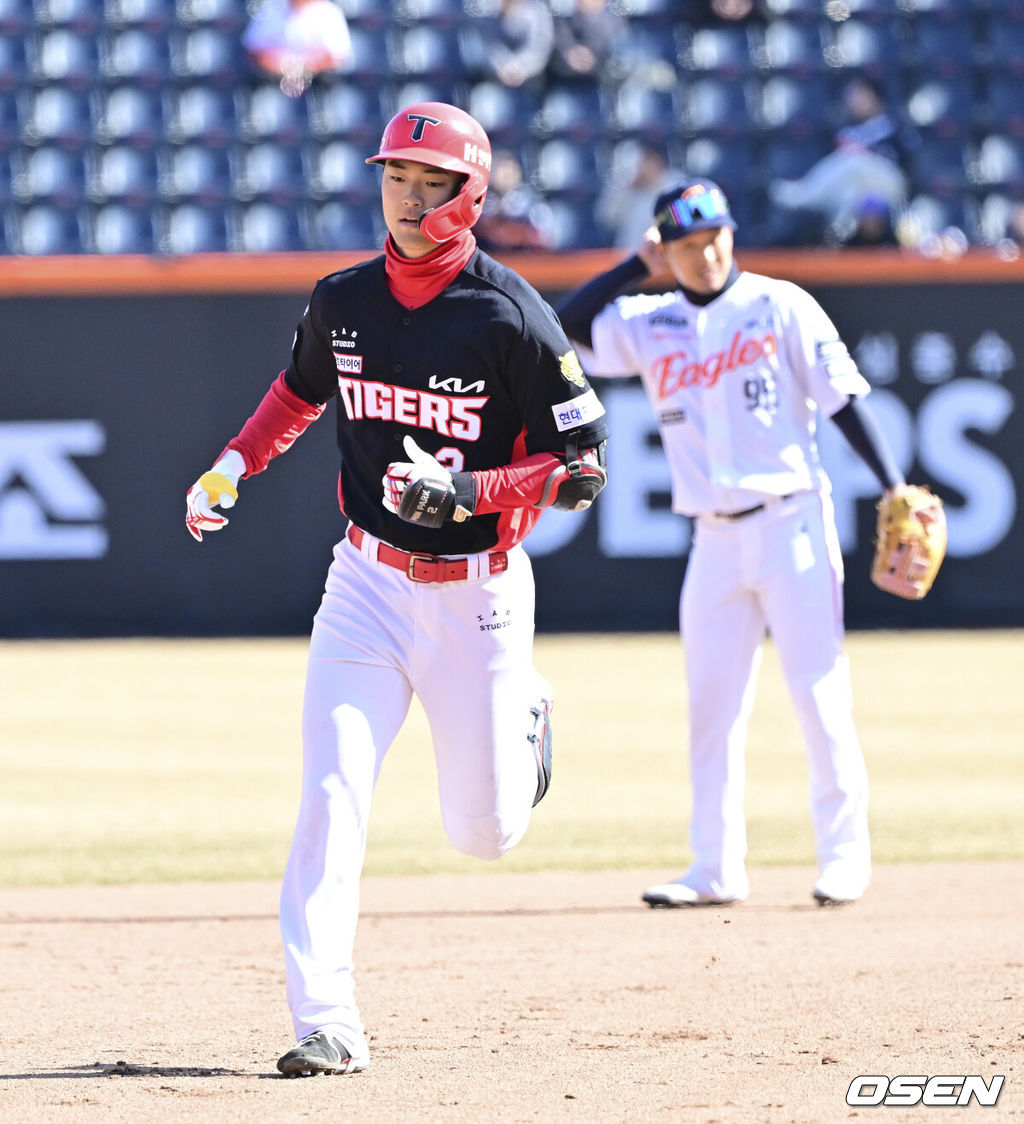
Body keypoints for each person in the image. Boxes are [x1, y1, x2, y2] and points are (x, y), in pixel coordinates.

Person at [185, 101, 608, 1076]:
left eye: (435, 183)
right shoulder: (343, 298)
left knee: (486, 831)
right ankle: (323, 1016)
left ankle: (526, 717)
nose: (411, 200)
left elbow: (583, 467)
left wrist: (471, 488)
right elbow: (296, 394)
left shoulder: (507, 314)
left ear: (474, 194)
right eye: (397, 177)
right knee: (331, 789)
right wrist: (230, 465)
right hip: (365, 583)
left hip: (480, 589)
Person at [556, 177, 907, 909]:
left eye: (714, 237)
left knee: (819, 694)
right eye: (687, 245)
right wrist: (633, 265)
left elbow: (844, 401)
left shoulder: (782, 305)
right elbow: (565, 329)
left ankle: (845, 857)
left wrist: (894, 485)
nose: (706, 254)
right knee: (711, 706)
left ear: (731, 234)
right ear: (668, 250)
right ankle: (715, 867)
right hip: (711, 539)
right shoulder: (651, 322)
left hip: (791, 522)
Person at [766, 76, 916, 247]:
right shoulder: (845, 130)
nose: (854, 101)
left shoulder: (892, 127)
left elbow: (903, 163)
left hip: (890, 187)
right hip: (857, 190)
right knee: (849, 192)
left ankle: (805, 193)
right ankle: (838, 241)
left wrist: (866, 152)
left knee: (854, 161)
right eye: (851, 96)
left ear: (875, 97)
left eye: (860, 95)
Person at [242, 0, 352, 97]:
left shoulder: (328, 11)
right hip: (274, 81)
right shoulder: (270, 7)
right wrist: (278, 62)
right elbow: (253, 48)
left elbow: (337, 55)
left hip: (316, 83)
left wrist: (301, 65)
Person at [472, 146, 556, 252]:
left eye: (511, 169)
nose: (507, 174)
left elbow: (544, 238)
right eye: (502, 169)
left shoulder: (532, 204)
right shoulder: (481, 202)